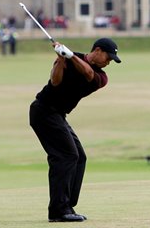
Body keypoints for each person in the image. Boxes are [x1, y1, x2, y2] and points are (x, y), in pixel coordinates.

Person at [29, 37, 121, 223]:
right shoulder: (68, 58)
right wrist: (62, 60)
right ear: (97, 50)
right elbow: (55, 81)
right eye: (108, 57)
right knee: (66, 156)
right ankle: (58, 210)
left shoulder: (101, 78)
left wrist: (70, 55)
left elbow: (88, 73)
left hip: (58, 115)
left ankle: (67, 204)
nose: (108, 62)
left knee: (79, 156)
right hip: (43, 111)